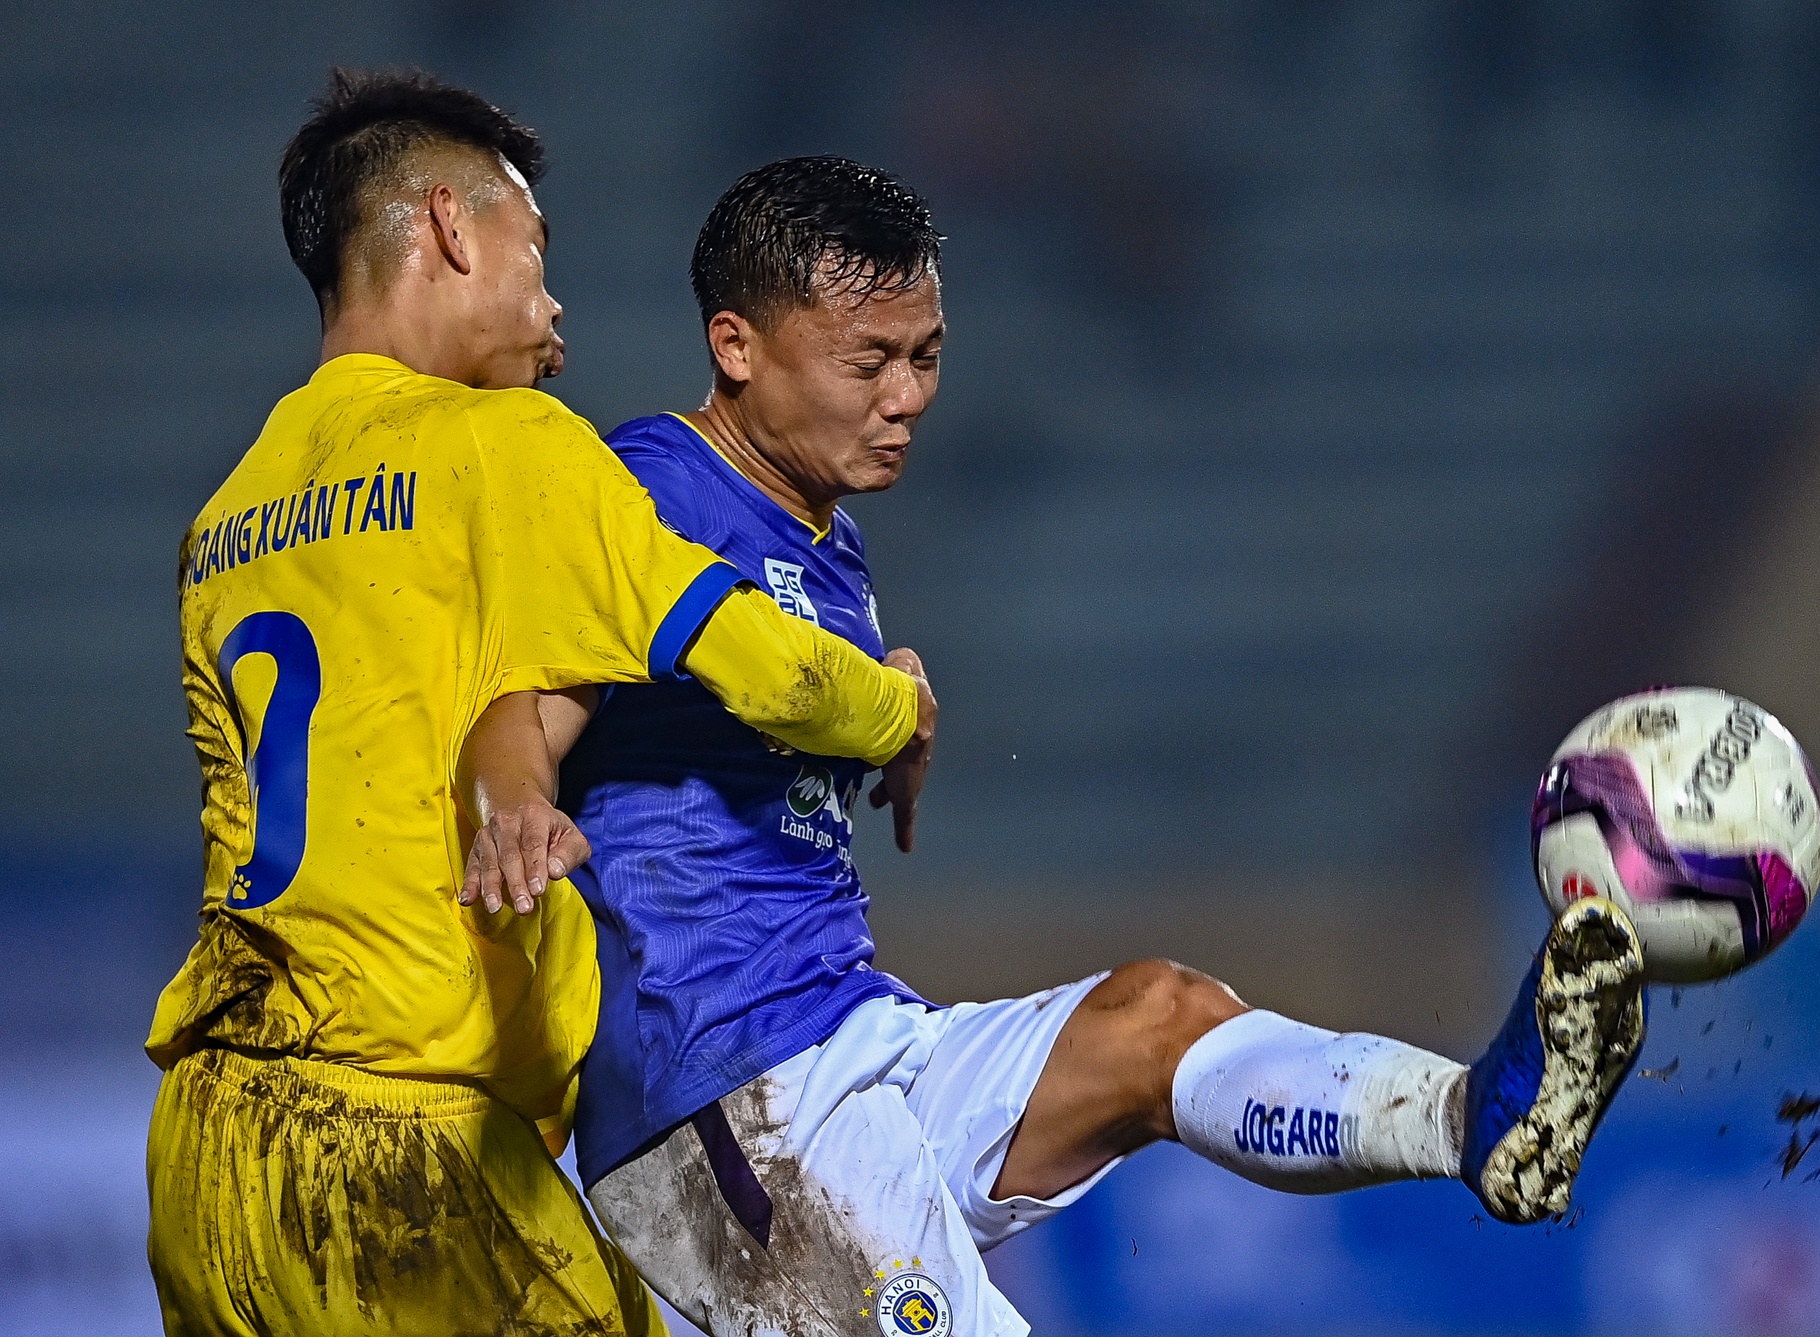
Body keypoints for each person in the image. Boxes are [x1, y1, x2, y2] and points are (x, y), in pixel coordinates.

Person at [462, 157, 1646, 1337]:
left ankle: (1471, 1121)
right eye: (867, 361)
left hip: (851, 1035)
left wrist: (890, 700)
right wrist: (515, 796)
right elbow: (532, 699)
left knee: (1157, 1019)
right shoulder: (651, 487)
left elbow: (772, 683)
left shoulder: (830, 541)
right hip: (720, 1095)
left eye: (925, 354)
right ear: (737, 345)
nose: (907, 394)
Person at [145, 82, 934, 1337]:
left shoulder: (222, 523)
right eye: (537, 247)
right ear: (454, 227)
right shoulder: (508, 445)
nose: (552, 300)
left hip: (203, 1159)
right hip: (407, 1137)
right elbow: (775, 669)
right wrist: (896, 707)